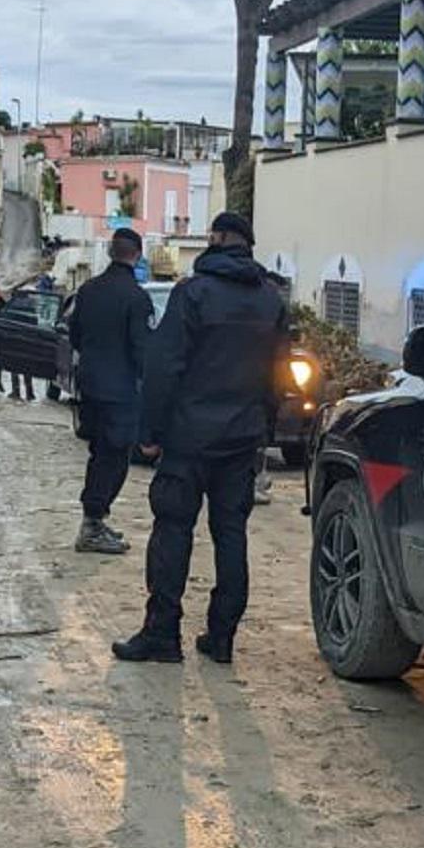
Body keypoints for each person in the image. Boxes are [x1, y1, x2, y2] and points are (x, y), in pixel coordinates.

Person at [113, 212, 287, 667]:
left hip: (189, 439)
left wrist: (150, 434)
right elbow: (278, 375)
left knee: (173, 531)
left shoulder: (192, 293)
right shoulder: (271, 300)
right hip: (241, 439)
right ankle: (223, 636)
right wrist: (262, 429)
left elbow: (162, 367)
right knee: (231, 534)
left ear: (215, 240)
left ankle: (162, 634)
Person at [67, 228, 151, 554]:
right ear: (137, 255)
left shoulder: (88, 291)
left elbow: (74, 334)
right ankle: (92, 523)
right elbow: (141, 350)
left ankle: (94, 521)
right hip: (120, 392)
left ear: (110, 253)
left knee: (99, 454)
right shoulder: (136, 298)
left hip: (89, 387)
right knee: (115, 459)